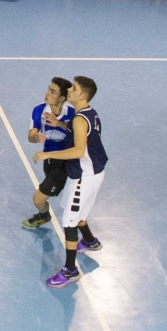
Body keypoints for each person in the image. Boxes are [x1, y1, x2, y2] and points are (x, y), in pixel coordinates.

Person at [33, 76, 107, 289]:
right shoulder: (88, 113)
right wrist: (59, 124)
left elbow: (78, 150)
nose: (69, 90)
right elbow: (80, 134)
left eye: (74, 88)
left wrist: (48, 155)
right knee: (77, 211)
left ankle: (70, 270)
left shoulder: (78, 119)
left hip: (85, 176)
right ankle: (90, 241)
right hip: (93, 172)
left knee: (69, 222)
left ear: (83, 96)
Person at [21, 78, 75, 230]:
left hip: (67, 160)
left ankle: (44, 216)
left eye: (53, 92)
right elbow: (31, 136)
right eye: (48, 89)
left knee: (38, 199)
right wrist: (35, 137)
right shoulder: (39, 110)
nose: (46, 93)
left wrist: (59, 124)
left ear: (62, 98)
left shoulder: (72, 112)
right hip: (49, 158)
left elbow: (78, 134)